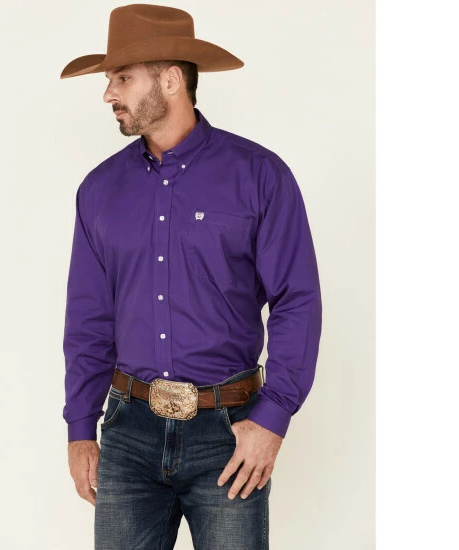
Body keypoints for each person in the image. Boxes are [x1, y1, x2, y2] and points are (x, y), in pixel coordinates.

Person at [60, 4, 322, 549]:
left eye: (122, 78)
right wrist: (80, 427)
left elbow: (296, 299)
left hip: (229, 436)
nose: (108, 94)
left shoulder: (259, 177)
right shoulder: (99, 191)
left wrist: (272, 418)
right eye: (111, 80)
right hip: (128, 435)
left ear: (171, 80)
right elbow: (88, 318)